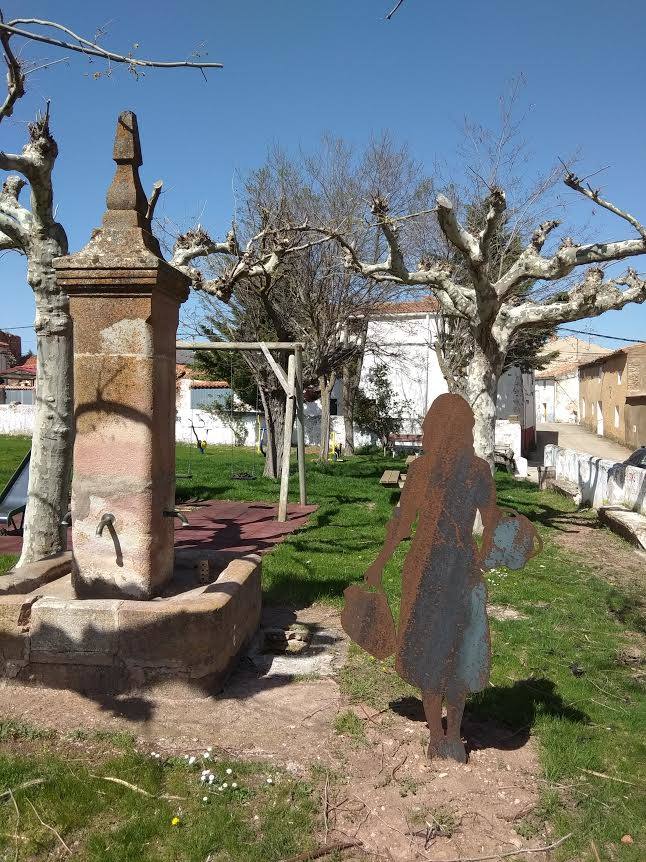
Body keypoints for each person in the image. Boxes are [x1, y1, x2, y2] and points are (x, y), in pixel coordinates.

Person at [362, 393, 501, 763]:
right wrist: (484, 554)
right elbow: (490, 522)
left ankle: (443, 735)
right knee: (448, 649)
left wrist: (380, 563)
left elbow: (403, 523)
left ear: (439, 428)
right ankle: (446, 735)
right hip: (452, 567)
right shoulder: (471, 470)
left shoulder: (431, 469)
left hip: (433, 567)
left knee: (437, 650)